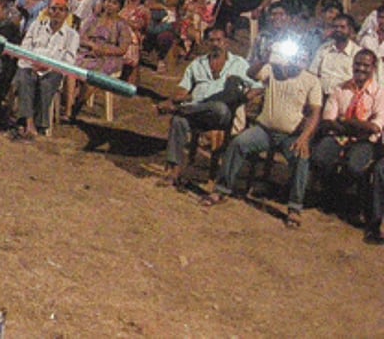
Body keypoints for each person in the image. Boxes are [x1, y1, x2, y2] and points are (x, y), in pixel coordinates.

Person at [202, 41, 322, 229]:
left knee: (302, 157)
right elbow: (250, 73)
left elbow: (315, 113)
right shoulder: (274, 70)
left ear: (307, 60)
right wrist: (266, 59)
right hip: (265, 129)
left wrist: (304, 138)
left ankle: (294, 208)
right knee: (239, 143)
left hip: (290, 135)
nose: (298, 60)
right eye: (296, 56)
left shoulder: (312, 81)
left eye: (303, 57)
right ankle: (221, 189)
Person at [156, 27, 253, 188]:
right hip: (198, 113)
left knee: (219, 107)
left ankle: (178, 109)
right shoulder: (197, 64)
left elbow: (255, 87)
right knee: (178, 121)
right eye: (212, 41)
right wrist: (178, 98)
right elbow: (183, 89)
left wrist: (242, 98)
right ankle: (175, 171)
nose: (215, 44)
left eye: (219, 40)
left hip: (223, 116)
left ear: (226, 43)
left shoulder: (239, 64)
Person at [309, 49, 382, 221]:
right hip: (338, 137)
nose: (361, 68)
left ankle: (340, 197)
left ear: (373, 68)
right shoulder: (340, 89)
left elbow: (375, 127)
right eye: (358, 64)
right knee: (319, 158)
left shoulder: (380, 93)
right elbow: (328, 120)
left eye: (366, 65)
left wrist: (346, 121)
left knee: (355, 167)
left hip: (364, 142)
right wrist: (358, 125)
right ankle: (328, 192)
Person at [11, 0, 79, 140]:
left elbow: (69, 61)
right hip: (30, 65)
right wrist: (32, 65)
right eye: (54, 9)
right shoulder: (37, 26)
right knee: (24, 79)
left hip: (53, 70)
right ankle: (29, 123)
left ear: (67, 13)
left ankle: (39, 123)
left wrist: (47, 66)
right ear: (48, 10)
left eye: (61, 10)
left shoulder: (72, 35)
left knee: (46, 84)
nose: (57, 13)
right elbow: (25, 49)